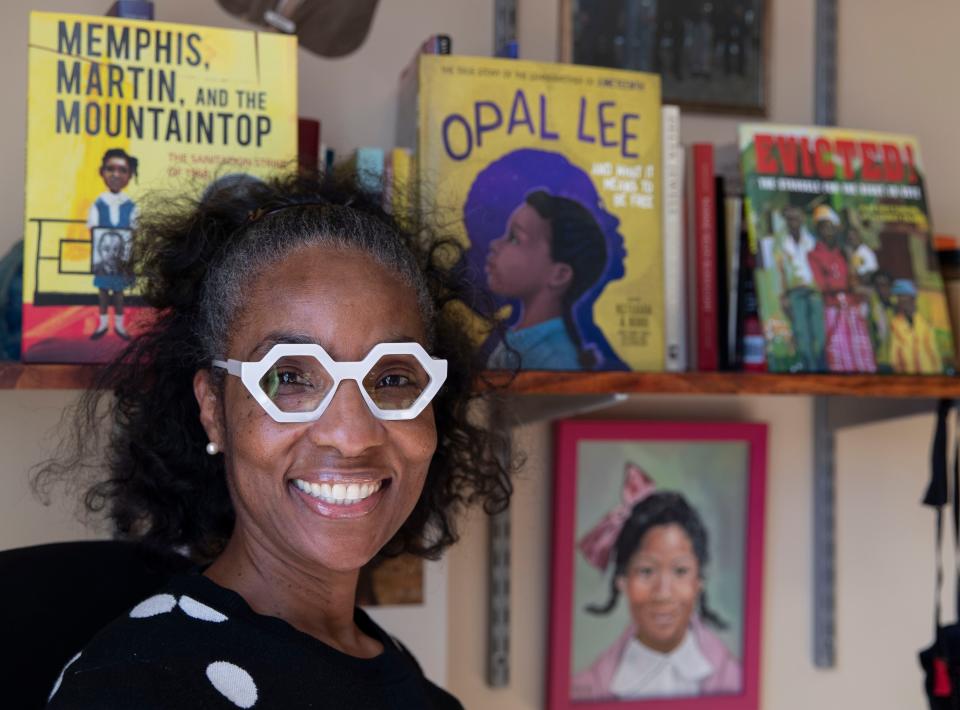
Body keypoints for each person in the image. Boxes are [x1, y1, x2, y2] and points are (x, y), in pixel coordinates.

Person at [37, 172, 513, 709]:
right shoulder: (134, 689)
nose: (352, 436)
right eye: (288, 377)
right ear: (214, 410)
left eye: (393, 378)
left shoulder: (395, 671)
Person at [572, 463, 740, 701]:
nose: (663, 593)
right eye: (646, 571)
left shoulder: (731, 678)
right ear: (622, 580)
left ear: (699, 580)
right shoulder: (588, 688)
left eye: (680, 571)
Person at [485, 190, 608, 371]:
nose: (495, 245)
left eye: (514, 238)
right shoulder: (522, 340)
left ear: (559, 275)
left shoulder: (554, 359)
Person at [807, 204, 876, 372]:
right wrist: (850, 287)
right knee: (838, 349)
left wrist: (856, 287)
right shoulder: (813, 255)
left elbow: (857, 276)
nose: (828, 231)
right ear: (818, 230)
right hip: (832, 309)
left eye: (832, 227)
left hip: (852, 307)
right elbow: (823, 285)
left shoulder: (844, 253)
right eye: (824, 228)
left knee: (860, 348)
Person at [87, 147, 139, 340]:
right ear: (102, 172)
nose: (116, 174)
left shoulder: (131, 205)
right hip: (102, 260)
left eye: (122, 170)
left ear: (129, 175)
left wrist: (127, 258)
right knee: (102, 293)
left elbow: (134, 234)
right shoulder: (98, 203)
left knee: (118, 294)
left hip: (122, 261)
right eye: (111, 169)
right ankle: (102, 325)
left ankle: (119, 326)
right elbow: (94, 231)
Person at [774, 205, 825, 372]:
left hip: (815, 291)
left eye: (795, 218)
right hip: (795, 292)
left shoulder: (813, 240)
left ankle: (822, 368)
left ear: (802, 219)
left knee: (819, 332)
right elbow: (780, 271)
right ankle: (809, 368)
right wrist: (783, 296)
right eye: (789, 219)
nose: (792, 222)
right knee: (801, 334)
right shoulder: (782, 244)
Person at [889, 278, 944, 374]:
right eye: (900, 300)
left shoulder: (925, 322)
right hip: (908, 374)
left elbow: (933, 349)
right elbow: (895, 354)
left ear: (913, 299)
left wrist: (938, 370)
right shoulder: (895, 323)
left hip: (929, 371)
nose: (903, 303)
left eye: (906, 299)